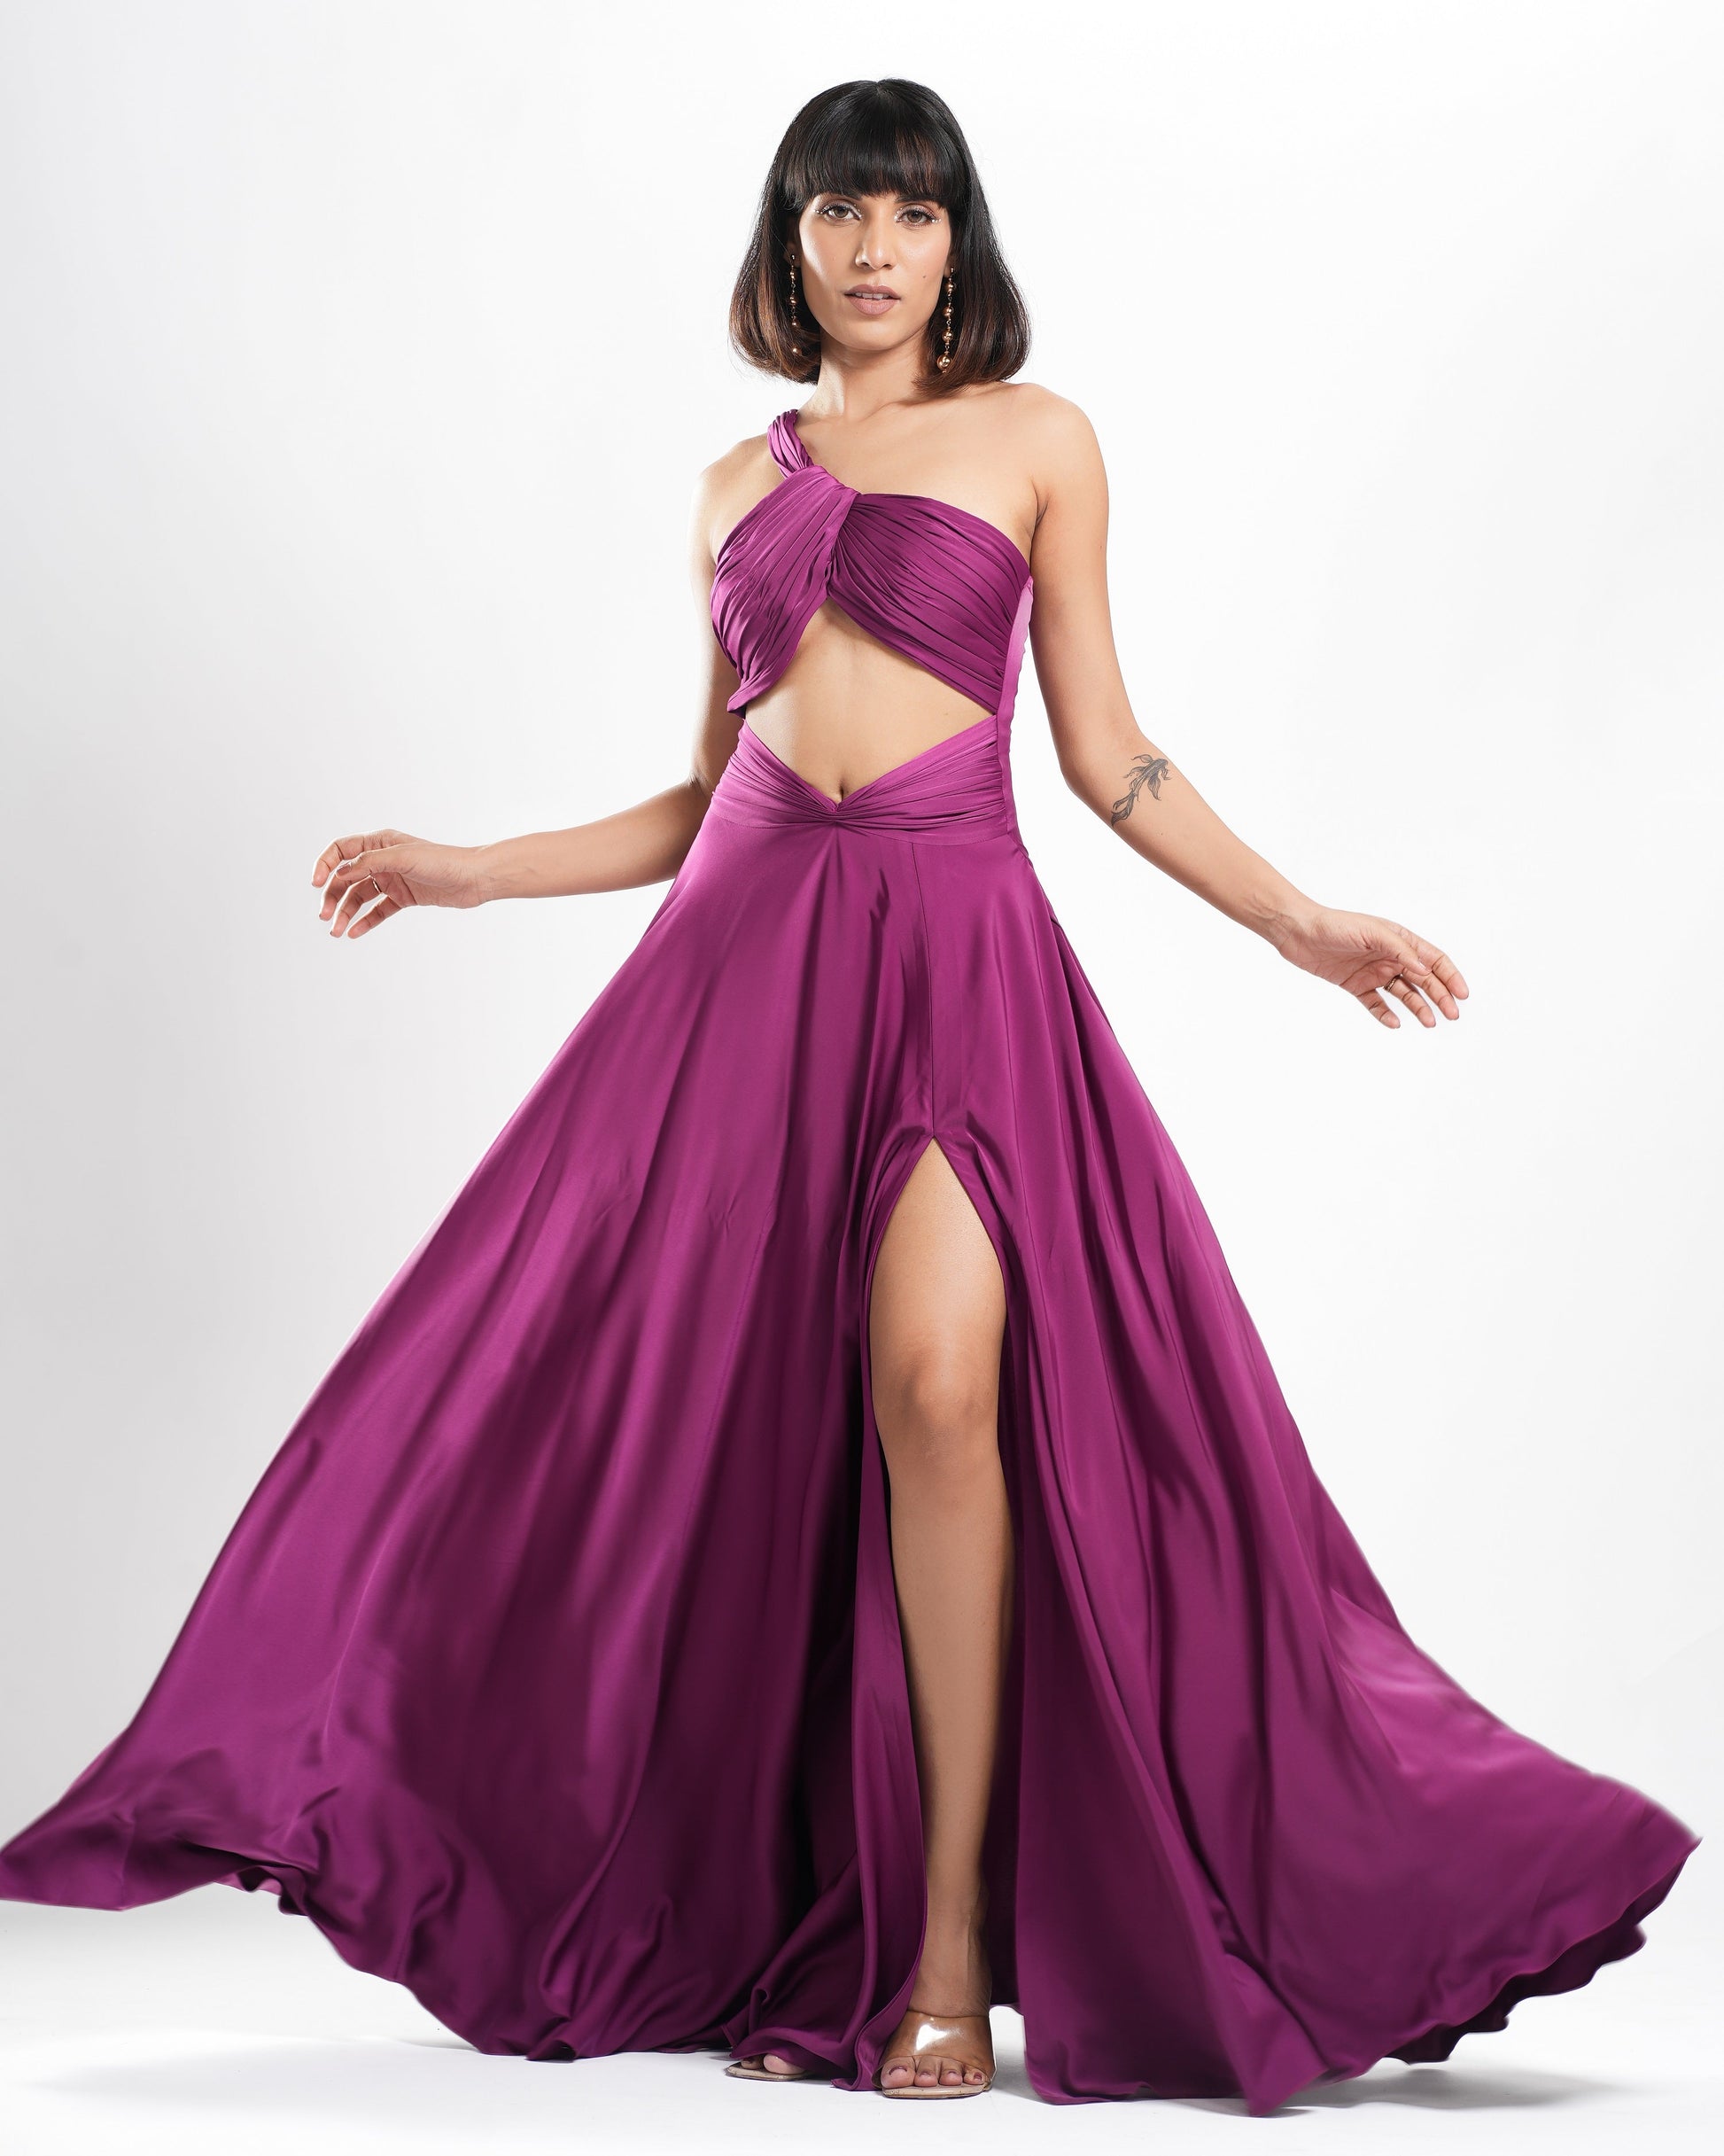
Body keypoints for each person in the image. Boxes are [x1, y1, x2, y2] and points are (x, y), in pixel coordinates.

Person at [0, 76, 1699, 2112]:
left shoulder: (1039, 440)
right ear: (787, 241)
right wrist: (468, 868)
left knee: (943, 1390)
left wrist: (1299, 920)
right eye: (835, 211)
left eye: (908, 210)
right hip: (741, 979)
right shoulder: (733, 482)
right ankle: (701, 1857)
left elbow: (1109, 753)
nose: (873, 247)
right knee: (617, 1416)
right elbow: (700, 790)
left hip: (955, 963)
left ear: (956, 238)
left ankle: (951, 1941)